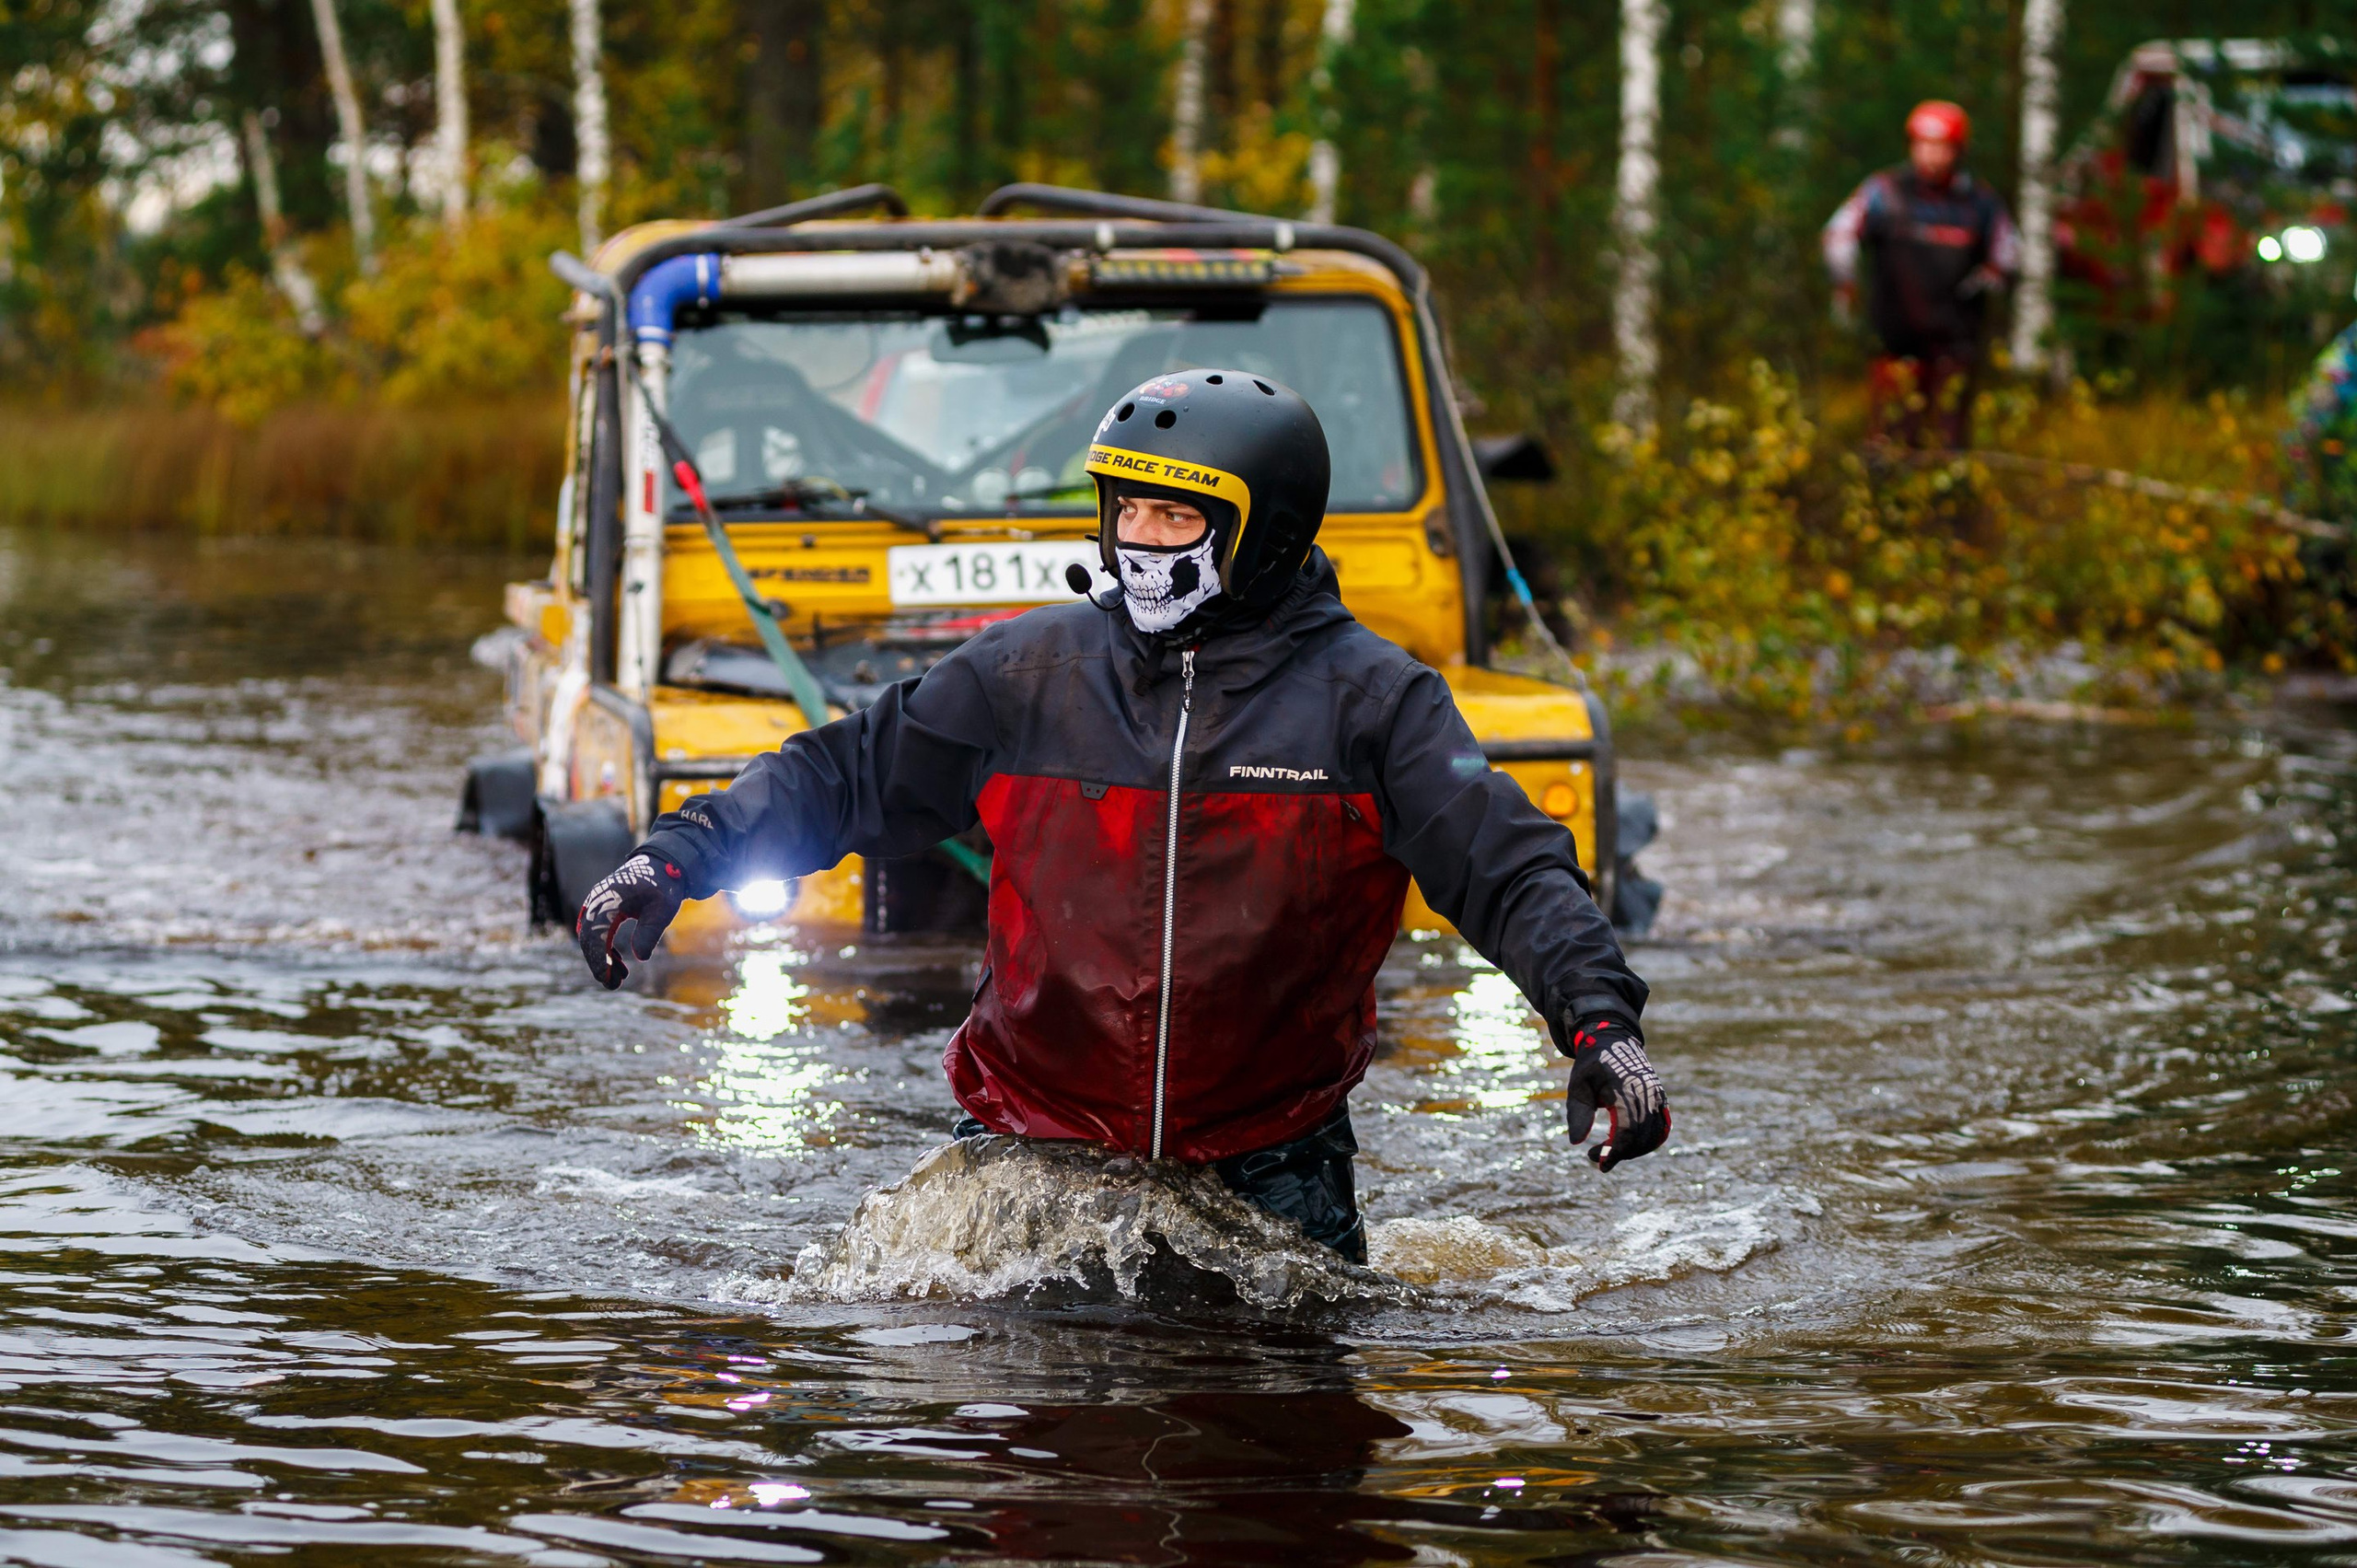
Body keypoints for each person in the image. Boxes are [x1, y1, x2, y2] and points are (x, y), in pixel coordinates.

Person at [572, 372, 1667, 1263]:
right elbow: (840, 774)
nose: (1142, 538)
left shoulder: (1373, 704)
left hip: (1270, 1172)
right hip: (1021, 1150)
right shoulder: (1026, 670)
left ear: (1264, 532)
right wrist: (673, 859)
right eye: (1125, 508)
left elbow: (1510, 868)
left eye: (1176, 513)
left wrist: (1598, 1022)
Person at [1823, 99, 2021, 449]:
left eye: (1940, 147)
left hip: (1955, 346)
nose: (1931, 156)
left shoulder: (1980, 202)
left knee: (1950, 441)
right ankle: (1885, 500)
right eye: (1923, 145)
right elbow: (1838, 234)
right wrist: (1845, 283)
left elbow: (2009, 253)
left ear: (1958, 151)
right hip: (1895, 344)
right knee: (1890, 439)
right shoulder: (1884, 192)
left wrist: (1992, 277)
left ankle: (1950, 501)